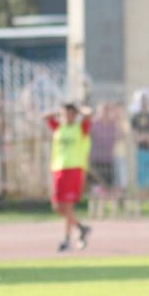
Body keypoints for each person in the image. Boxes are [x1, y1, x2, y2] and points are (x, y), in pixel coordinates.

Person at [43, 101, 92, 251]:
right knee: (57, 206)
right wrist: (60, 112)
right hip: (58, 169)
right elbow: (45, 117)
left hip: (74, 169)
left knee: (68, 206)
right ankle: (81, 227)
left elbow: (89, 114)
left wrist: (79, 109)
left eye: (71, 114)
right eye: (66, 114)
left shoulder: (80, 128)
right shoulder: (59, 127)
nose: (68, 117)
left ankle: (66, 239)